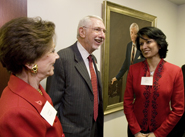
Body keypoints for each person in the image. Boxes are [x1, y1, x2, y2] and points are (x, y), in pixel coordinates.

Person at [0, 17, 65, 137]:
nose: (57, 56)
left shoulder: (35, 89)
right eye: (52, 51)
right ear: (30, 63)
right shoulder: (16, 113)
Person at [46, 15, 105, 137]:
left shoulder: (93, 60)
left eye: (104, 31)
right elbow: (52, 105)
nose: (102, 35)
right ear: (82, 32)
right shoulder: (62, 58)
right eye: (97, 29)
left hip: (94, 131)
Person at [124, 26, 184, 137]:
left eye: (148, 42)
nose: (144, 47)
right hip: (136, 131)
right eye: (141, 44)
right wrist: (136, 131)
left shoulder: (175, 71)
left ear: (159, 44)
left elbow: (178, 109)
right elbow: (127, 103)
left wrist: (158, 134)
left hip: (163, 131)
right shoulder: (133, 69)